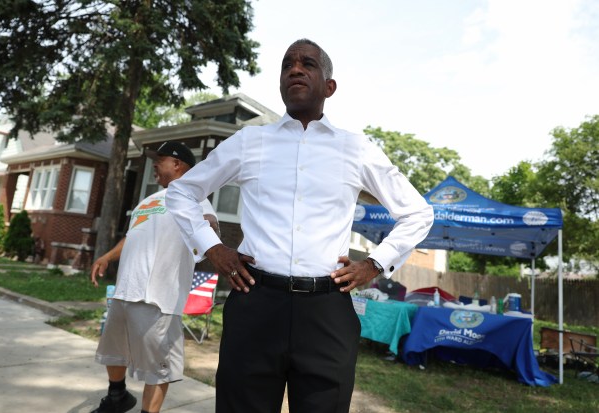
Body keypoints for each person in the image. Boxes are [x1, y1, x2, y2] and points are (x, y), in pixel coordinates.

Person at [166, 39, 434, 413]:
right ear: (280, 83)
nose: (295, 69)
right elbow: (181, 192)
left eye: (308, 63)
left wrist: (375, 264)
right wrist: (212, 247)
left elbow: (418, 213)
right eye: (287, 64)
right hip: (256, 301)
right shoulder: (249, 142)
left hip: (327, 311)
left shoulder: (356, 149)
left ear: (329, 86)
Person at [89, 141, 219, 413]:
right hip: (126, 290)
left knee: (158, 368)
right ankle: (117, 397)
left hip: (158, 296)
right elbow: (133, 235)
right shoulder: (147, 201)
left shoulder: (194, 197)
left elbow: (209, 227)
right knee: (114, 350)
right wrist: (107, 256)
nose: (155, 165)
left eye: (160, 160)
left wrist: (211, 234)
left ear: (178, 164)